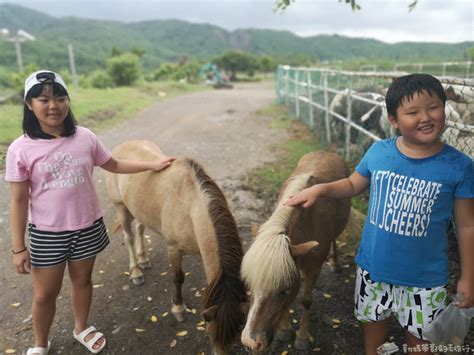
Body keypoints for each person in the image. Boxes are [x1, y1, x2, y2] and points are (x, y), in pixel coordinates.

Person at [286, 73, 474, 354]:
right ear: (393, 120)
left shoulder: (459, 166)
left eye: (433, 107)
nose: (425, 117)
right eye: (412, 112)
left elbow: (467, 225)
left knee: (421, 344)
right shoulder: (379, 152)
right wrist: (320, 190)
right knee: (373, 335)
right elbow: (351, 184)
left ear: (444, 108)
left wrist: (468, 277)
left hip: (424, 280)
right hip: (373, 272)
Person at [6, 70, 176, 355]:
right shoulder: (20, 149)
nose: (53, 106)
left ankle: (81, 327)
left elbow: (114, 164)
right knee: (45, 293)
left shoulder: (85, 137)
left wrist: (151, 165)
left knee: (83, 281)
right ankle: (40, 343)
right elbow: (19, 200)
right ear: (29, 104)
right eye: (43, 99)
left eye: (60, 98)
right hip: (48, 235)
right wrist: (18, 248)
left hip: (87, 227)